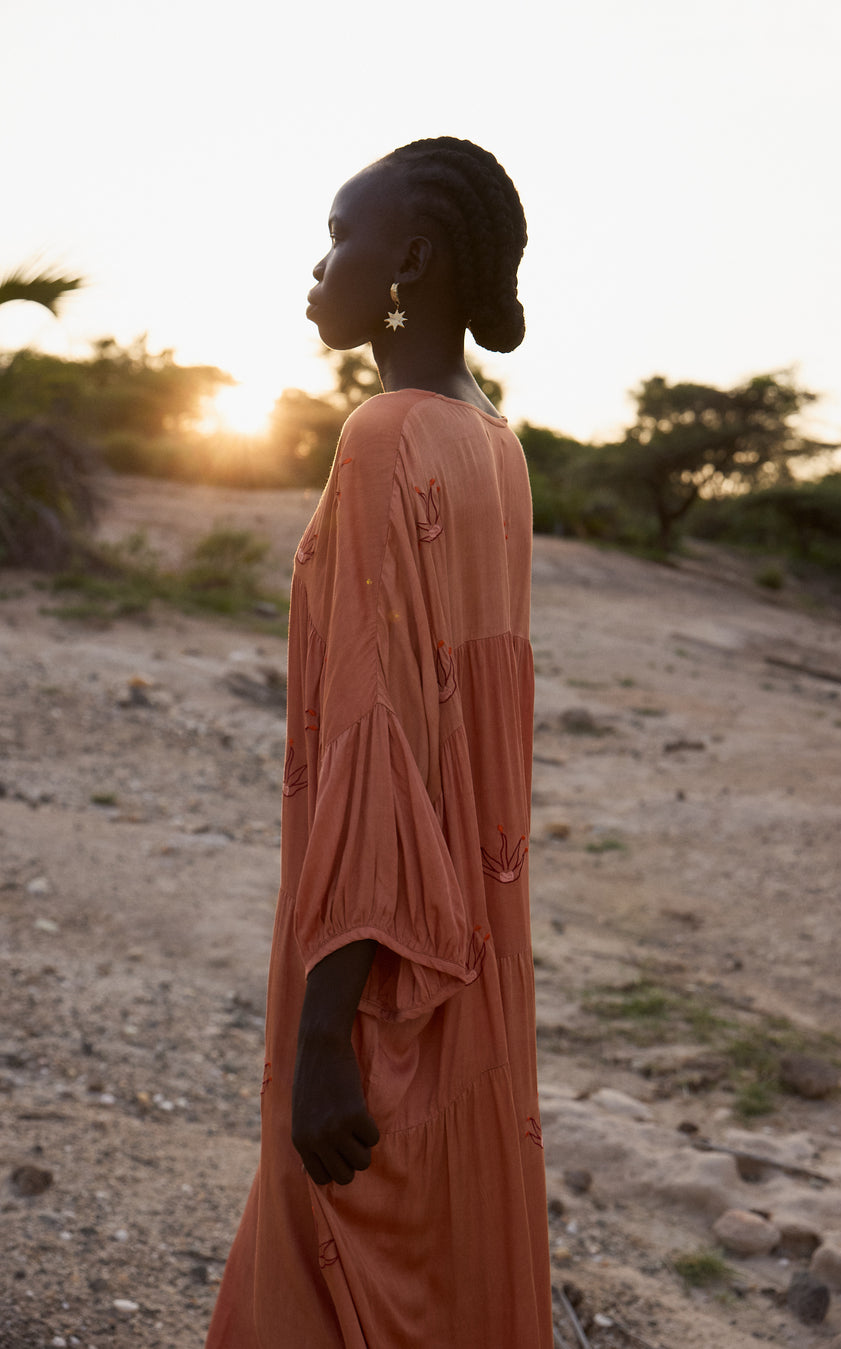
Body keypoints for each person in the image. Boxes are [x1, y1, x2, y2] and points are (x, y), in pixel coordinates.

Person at [205, 135, 553, 1349]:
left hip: (383, 968)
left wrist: (321, 1036)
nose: (318, 263)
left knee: (343, 1275)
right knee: (443, 1259)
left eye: (340, 234)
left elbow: (380, 740)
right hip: (473, 950)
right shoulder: (492, 440)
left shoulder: (385, 437)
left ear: (408, 256)